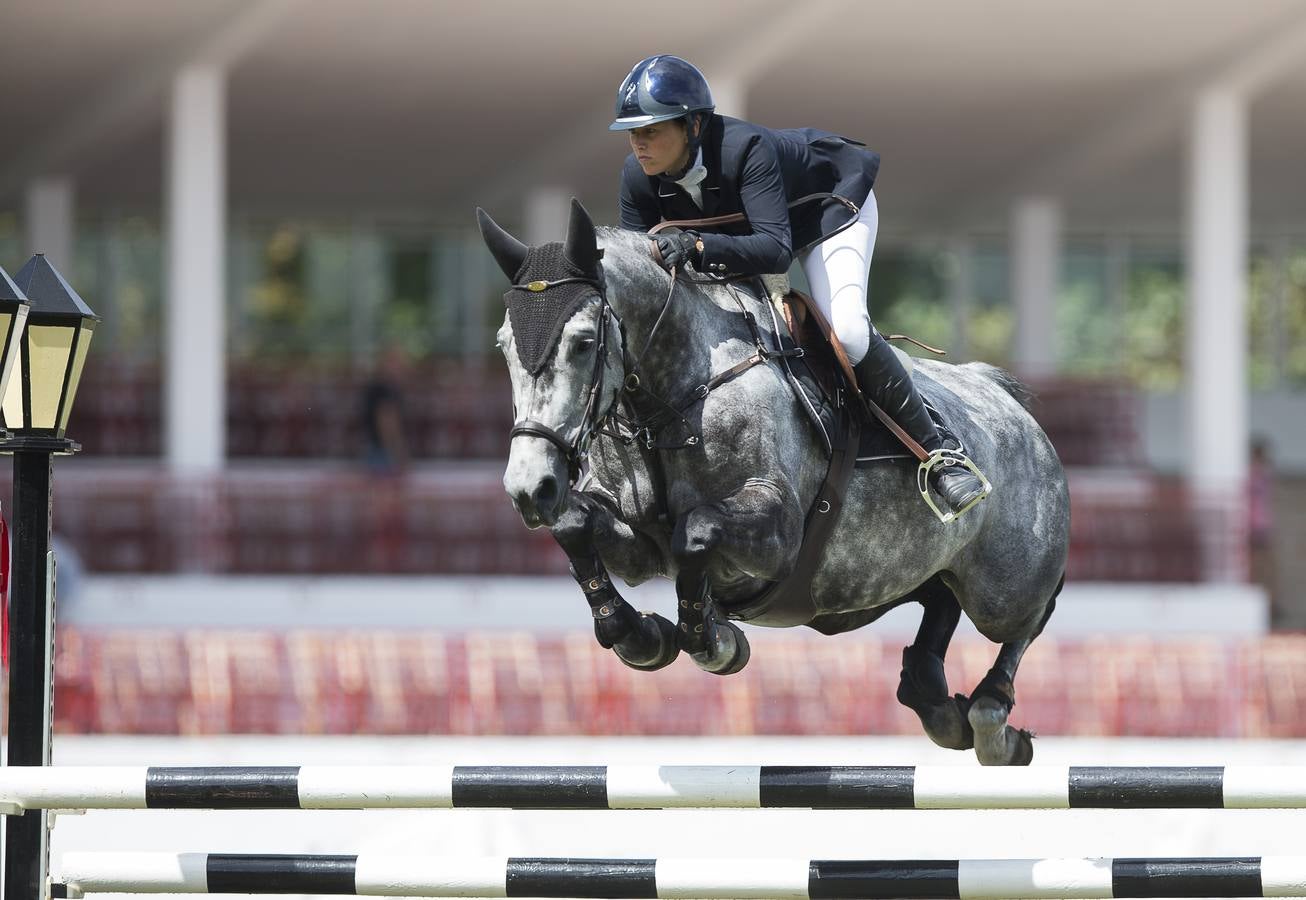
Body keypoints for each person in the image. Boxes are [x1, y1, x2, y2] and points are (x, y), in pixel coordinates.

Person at [610, 54, 988, 517]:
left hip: (828, 215)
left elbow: (774, 250)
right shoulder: (637, 178)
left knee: (846, 329)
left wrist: (694, 245)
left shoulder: (745, 148)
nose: (639, 145)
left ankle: (941, 455)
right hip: (749, 235)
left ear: (692, 126)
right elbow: (645, 267)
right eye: (633, 133)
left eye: (651, 131)